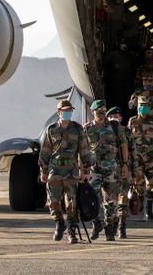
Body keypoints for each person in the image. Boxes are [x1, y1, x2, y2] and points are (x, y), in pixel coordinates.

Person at [39, 99, 93, 244]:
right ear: (59, 113)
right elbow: (45, 151)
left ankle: (71, 230)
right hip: (54, 170)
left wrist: (86, 170)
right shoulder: (51, 130)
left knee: (72, 203)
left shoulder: (77, 129)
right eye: (65, 111)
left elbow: (84, 150)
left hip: (71, 171)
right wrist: (43, 170)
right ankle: (59, 223)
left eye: (70, 111)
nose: (68, 113)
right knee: (53, 201)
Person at [84, 100, 129, 241]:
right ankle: (97, 223)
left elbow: (123, 145)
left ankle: (110, 230)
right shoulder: (86, 129)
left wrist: (125, 164)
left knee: (111, 201)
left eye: (104, 110)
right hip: (94, 169)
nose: (102, 113)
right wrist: (82, 169)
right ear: (93, 112)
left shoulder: (114, 126)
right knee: (90, 198)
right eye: (99, 110)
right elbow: (82, 150)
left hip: (111, 169)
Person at [129, 94, 153, 220]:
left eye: (145, 106)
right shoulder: (132, 121)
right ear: (137, 106)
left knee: (152, 185)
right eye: (141, 105)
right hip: (137, 158)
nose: (143, 108)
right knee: (138, 185)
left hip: (152, 158)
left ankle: (148, 210)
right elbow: (128, 141)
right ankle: (140, 204)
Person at [109, 107, 135, 238]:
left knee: (123, 199)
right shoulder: (105, 132)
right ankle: (113, 225)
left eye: (117, 116)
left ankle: (122, 226)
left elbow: (133, 153)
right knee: (111, 200)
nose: (115, 118)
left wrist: (135, 173)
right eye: (112, 116)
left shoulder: (127, 132)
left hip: (125, 170)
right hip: (110, 172)